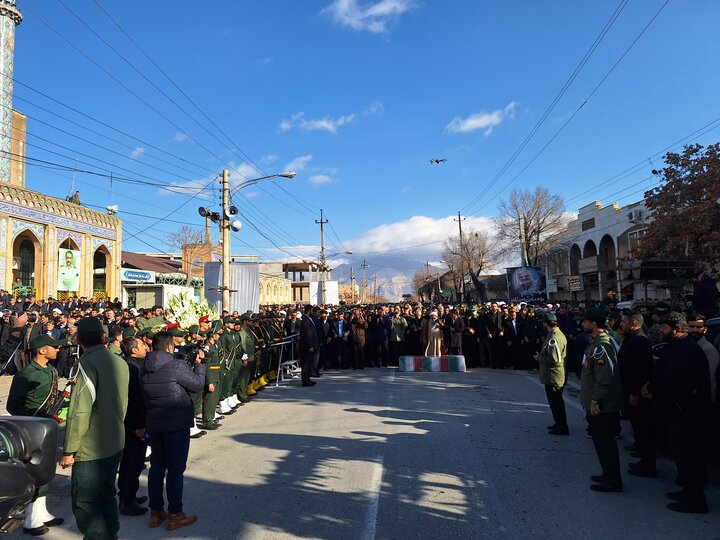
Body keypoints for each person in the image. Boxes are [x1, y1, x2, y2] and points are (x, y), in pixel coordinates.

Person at [59, 317, 129, 540]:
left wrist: (70, 450)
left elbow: (79, 411)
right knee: (107, 495)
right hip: (115, 440)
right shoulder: (119, 361)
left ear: (79, 340)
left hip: (90, 448)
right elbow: (123, 403)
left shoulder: (86, 365)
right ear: (102, 337)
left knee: (87, 503)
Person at [642, 312, 711, 514]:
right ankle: (688, 492)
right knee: (681, 454)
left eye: (664, 328)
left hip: (687, 412)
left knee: (689, 455)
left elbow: (671, 377)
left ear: (678, 330)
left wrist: (651, 388)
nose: (661, 331)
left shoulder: (686, 349)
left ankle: (696, 501)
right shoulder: (679, 347)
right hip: (678, 410)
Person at [141, 330, 206, 531]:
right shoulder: (176, 365)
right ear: (170, 347)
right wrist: (199, 365)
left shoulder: (145, 366)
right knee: (176, 470)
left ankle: (156, 512)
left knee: (157, 468)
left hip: (155, 422)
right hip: (176, 423)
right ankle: (175, 514)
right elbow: (196, 385)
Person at [6, 334, 65, 536]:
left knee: (46, 471)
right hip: (31, 430)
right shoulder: (26, 375)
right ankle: (30, 519)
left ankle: (42, 512)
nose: (58, 349)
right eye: (54, 347)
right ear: (41, 350)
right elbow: (13, 406)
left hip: (47, 427)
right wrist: (36, 419)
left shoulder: (52, 370)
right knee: (33, 473)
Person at [580, 307, 624, 493]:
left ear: (594, 324)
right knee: (600, 441)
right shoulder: (596, 343)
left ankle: (613, 481)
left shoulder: (602, 345)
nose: (583, 324)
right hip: (596, 401)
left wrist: (595, 400)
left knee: (606, 443)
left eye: (585, 321)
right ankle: (607, 474)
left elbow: (605, 377)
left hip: (603, 404)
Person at [618, 311, 655, 478]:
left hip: (638, 393)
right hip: (629, 390)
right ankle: (642, 457)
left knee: (644, 428)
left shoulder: (641, 342)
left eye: (624, 321)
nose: (621, 324)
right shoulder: (632, 339)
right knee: (637, 427)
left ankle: (648, 465)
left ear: (634, 324)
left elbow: (639, 370)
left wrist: (634, 392)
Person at [117, 336, 149, 516]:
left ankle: (128, 495)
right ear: (134, 350)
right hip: (134, 424)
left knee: (130, 461)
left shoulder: (131, 364)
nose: (146, 346)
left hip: (130, 422)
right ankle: (127, 501)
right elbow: (135, 400)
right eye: (142, 345)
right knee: (133, 463)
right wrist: (139, 425)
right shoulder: (132, 368)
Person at [535, 313, 568, 435]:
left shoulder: (555, 337)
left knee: (556, 403)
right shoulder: (553, 335)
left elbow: (554, 359)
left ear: (545, 323)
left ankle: (562, 426)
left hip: (554, 375)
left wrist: (539, 358)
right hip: (552, 375)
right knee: (555, 403)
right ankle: (558, 423)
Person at [299, 304, 319, 386]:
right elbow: (307, 334)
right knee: (306, 364)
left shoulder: (308, 319)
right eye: (311, 310)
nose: (312, 312)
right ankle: (305, 380)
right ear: (309, 310)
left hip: (310, 345)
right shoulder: (305, 320)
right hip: (306, 347)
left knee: (308, 363)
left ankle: (308, 379)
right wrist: (310, 345)